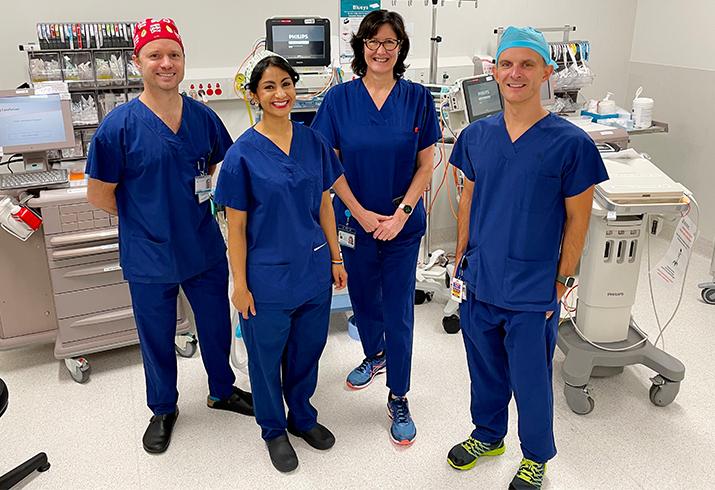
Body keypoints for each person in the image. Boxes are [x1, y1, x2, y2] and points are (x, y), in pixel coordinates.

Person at [446, 27, 608, 489]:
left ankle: (535, 455)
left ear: (546, 73)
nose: (515, 73)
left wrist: (561, 280)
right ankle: (488, 434)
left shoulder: (569, 143)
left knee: (531, 379)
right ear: (493, 71)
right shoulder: (476, 136)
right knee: (484, 369)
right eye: (507, 64)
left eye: (527, 64)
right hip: (480, 279)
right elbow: (469, 200)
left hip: (532, 286)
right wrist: (461, 260)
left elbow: (579, 219)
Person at [85, 18, 253, 455]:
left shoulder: (203, 118)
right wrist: (147, 220)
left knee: (216, 324)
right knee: (157, 334)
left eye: (173, 55)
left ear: (183, 61)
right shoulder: (118, 127)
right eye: (154, 55)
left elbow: (221, 168)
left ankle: (222, 390)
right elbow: (99, 194)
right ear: (137, 61)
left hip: (202, 246)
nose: (165, 63)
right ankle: (162, 408)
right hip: (149, 253)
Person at [311, 9, 440, 446]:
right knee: (363, 298)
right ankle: (375, 354)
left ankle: (398, 394)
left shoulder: (418, 98)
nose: (380, 50)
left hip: (402, 224)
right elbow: (329, 162)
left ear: (400, 48)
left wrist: (402, 212)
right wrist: (361, 213)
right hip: (355, 220)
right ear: (360, 47)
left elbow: (427, 164)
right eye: (373, 42)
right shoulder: (338, 100)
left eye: (389, 43)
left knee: (399, 309)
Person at [213, 55, 347, 473]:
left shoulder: (313, 141)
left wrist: (336, 256)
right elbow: (235, 228)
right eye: (269, 86)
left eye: (286, 84)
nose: (280, 93)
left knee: (309, 350)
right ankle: (273, 429)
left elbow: (325, 202)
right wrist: (240, 283)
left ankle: (302, 416)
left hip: (312, 269)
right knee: (265, 358)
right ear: (254, 95)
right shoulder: (242, 155)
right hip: (266, 277)